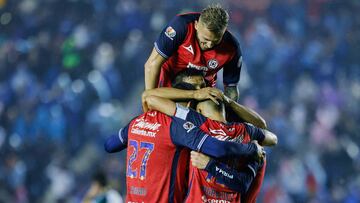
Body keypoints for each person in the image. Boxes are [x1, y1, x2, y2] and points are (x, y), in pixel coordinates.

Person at [104, 107, 265, 203]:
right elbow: (218, 149)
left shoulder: (135, 123)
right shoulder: (178, 128)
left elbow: (109, 145)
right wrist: (251, 149)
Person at [143, 93, 277, 203]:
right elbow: (272, 138)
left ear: (200, 110)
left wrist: (194, 94)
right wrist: (230, 102)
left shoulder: (197, 121)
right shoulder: (247, 131)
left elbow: (150, 99)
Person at [144, 4, 243, 101]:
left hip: (203, 91)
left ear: (224, 31)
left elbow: (231, 88)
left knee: (211, 112)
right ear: (196, 25)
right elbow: (152, 64)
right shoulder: (180, 26)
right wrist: (150, 100)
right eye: (205, 39)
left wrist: (228, 112)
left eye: (216, 40)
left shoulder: (232, 48)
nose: (209, 45)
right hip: (168, 84)